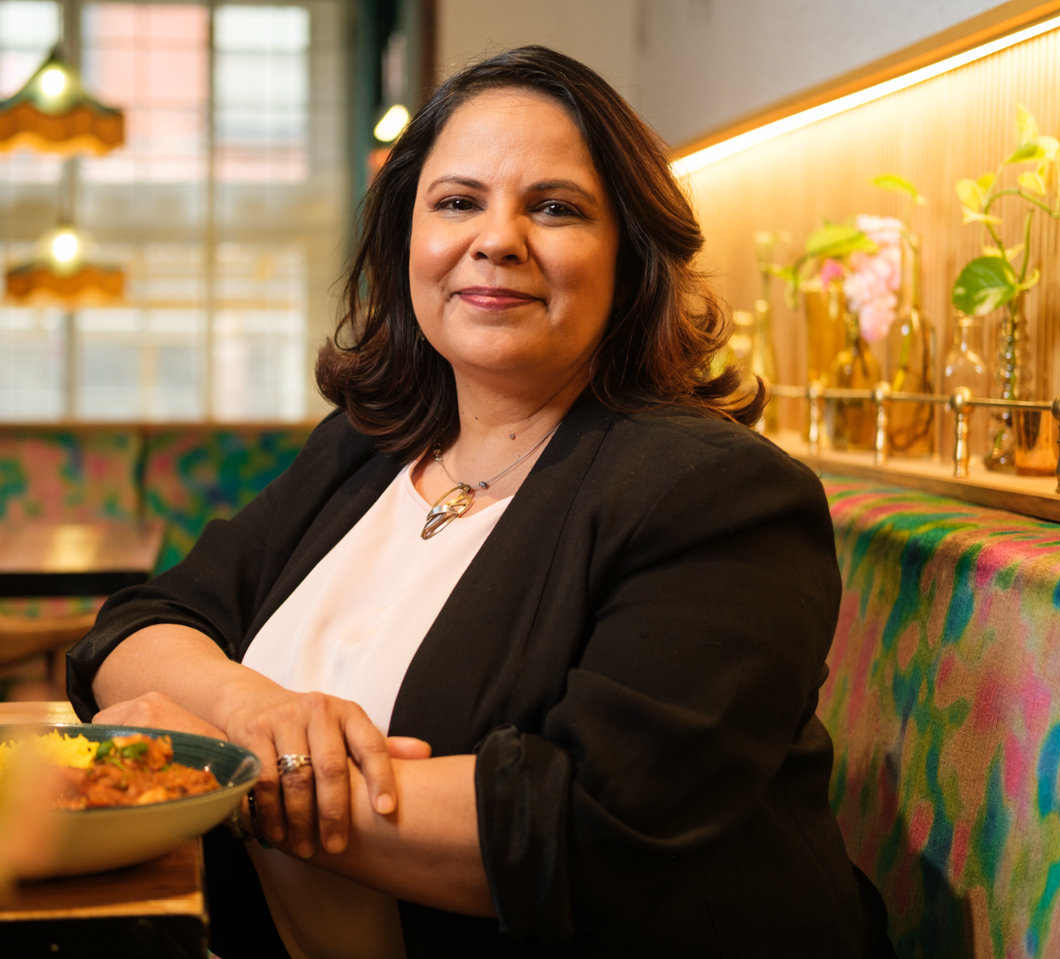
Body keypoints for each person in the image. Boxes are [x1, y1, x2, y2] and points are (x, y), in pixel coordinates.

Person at [68, 45, 891, 959]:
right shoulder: (365, 452)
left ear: (629, 256)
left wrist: (233, 772)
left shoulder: (717, 495)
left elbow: (583, 827)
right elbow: (137, 626)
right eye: (457, 201)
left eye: (554, 207)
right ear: (404, 244)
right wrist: (253, 705)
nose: (496, 238)